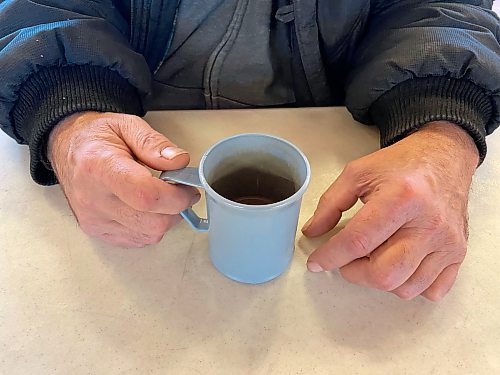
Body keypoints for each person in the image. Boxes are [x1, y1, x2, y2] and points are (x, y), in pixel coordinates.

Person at [1, 1, 499, 301]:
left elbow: (444, 10)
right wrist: (68, 111)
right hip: (134, 130)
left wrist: (442, 130)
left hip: (360, 123)